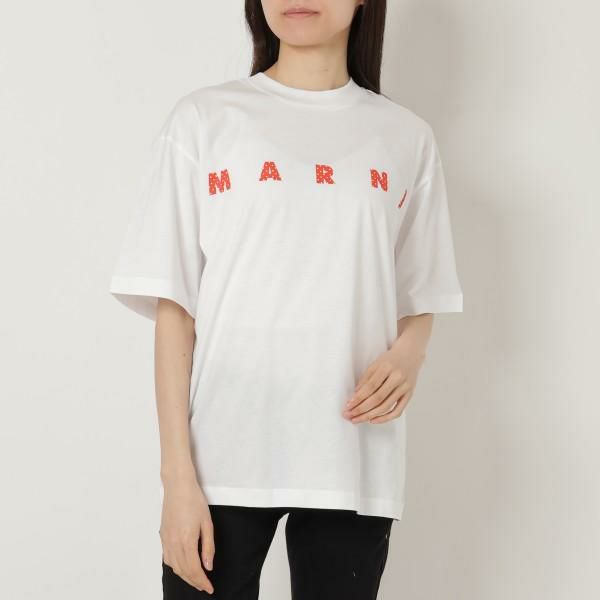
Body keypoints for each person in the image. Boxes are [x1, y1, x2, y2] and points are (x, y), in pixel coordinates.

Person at [108, 0, 464, 597]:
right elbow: (175, 308)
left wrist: (411, 353)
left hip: (353, 453)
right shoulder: (204, 119)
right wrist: (176, 478)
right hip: (222, 456)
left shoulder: (406, 137)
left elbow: (422, 287)